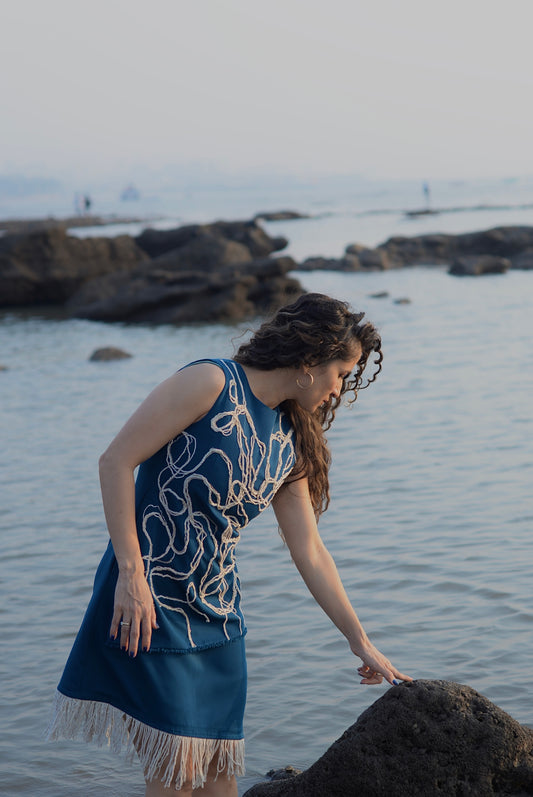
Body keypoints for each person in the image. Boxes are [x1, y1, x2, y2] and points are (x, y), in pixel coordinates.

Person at [47, 293, 411, 796]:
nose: (340, 390)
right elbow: (115, 462)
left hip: (219, 612)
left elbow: (310, 551)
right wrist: (130, 574)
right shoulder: (211, 383)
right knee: (176, 771)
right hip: (150, 598)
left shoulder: (290, 438)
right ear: (310, 362)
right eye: (340, 374)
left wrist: (360, 639)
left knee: (220, 774)